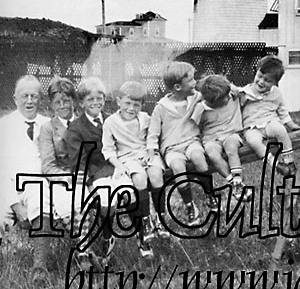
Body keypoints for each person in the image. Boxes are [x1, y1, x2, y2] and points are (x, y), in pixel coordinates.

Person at [64, 77, 127, 265]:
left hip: (117, 168)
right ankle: (107, 238)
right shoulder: (77, 127)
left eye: (99, 98)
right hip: (95, 173)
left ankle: (144, 238)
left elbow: (124, 144)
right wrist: (88, 183)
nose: (95, 102)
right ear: (81, 103)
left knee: (133, 193)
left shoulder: (112, 120)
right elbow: (79, 160)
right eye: (90, 99)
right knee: (107, 199)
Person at [102, 81, 168, 257]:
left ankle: (160, 219)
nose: (131, 108)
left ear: (142, 105)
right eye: (128, 103)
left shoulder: (146, 118)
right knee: (139, 178)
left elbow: (152, 137)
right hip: (127, 158)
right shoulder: (111, 122)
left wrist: (150, 152)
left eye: (136, 105)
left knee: (156, 175)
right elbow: (108, 149)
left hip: (146, 154)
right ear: (118, 101)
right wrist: (119, 165)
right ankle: (146, 222)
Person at [147, 61, 216, 225]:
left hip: (192, 141)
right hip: (172, 149)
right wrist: (151, 151)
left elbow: (217, 93)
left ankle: (210, 195)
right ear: (178, 87)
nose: (195, 82)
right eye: (191, 80)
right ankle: (190, 205)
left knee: (199, 158)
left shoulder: (196, 97)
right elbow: (153, 133)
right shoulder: (161, 108)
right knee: (178, 168)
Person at [0, 75, 51, 284]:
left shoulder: (48, 124)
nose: (29, 101)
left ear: (40, 99)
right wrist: (15, 205)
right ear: (15, 99)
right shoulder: (4, 125)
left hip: (36, 185)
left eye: (34, 96)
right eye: (25, 96)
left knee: (41, 198)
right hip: (7, 185)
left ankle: (40, 269)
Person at [239, 55, 300, 177]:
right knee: (253, 141)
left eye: (267, 80)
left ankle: (289, 162)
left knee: (280, 130)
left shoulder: (276, 93)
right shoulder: (245, 92)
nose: (261, 82)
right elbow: (237, 111)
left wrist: (291, 125)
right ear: (256, 72)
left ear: (275, 83)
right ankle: (275, 164)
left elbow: (282, 111)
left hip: (269, 122)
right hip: (251, 127)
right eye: (259, 76)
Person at [195, 75, 251, 202]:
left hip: (231, 133)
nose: (228, 98)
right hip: (211, 138)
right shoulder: (201, 108)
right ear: (213, 101)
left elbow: (248, 93)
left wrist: (233, 88)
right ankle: (234, 184)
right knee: (212, 154)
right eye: (224, 98)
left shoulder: (232, 94)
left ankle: (237, 180)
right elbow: (194, 127)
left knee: (231, 147)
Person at [38, 76, 85, 228]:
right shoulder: (48, 129)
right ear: (51, 105)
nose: (62, 106)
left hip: (85, 177)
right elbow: (48, 166)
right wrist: (66, 178)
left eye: (66, 101)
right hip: (62, 181)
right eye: (57, 102)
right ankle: (83, 240)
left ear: (74, 101)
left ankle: (94, 239)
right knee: (70, 205)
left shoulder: (84, 123)